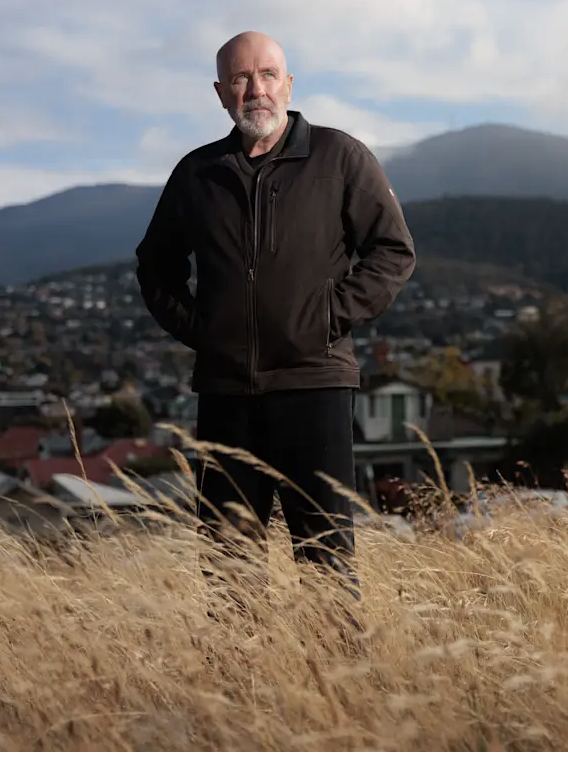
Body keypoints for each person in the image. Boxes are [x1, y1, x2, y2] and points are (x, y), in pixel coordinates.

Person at [135, 31, 416, 601]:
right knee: (228, 567)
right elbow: (155, 268)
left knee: (326, 563)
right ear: (220, 93)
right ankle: (240, 688)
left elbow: (393, 252)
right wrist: (206, 334)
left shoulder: (340, 157)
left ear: (288, 83)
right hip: (226, 396)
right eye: (240, 79)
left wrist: (326, 319)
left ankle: (338, 687)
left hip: (315, 386)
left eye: (266, 75)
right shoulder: (197, 174)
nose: (255, 90)